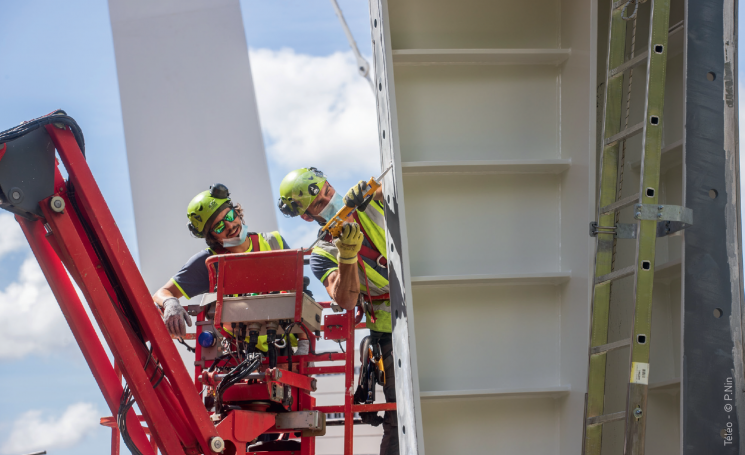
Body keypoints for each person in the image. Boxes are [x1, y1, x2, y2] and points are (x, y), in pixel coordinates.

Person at [277, 167, 398, 455]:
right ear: (307, 216)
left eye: (328, 191)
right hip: (389, 329)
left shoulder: (368, 203)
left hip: (423, 300)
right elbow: (346, 300)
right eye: (319, 202)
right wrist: (347, 256)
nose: (329, 199)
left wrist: (373, 190)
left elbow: (398, 188)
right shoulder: (322, 253)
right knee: (398, 413)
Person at [152, 183, 308, 355]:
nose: (230, 226)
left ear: (237, 211)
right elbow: (163, 292)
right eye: (219, 227)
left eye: (230, 215)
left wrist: (304, 345)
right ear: (212, 237)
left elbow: (300, 294)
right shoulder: (210, 262)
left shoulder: (273, 242)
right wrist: (171, 304)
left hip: (284, 346)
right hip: (238, 355)